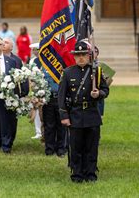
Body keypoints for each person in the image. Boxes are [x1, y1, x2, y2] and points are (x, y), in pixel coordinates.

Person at [58, 40, 109, 183]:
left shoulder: (96, 71)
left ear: (89, 56)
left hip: (92, 114)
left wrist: (98, 93)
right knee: (76, 147)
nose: (81, 57)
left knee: (91, 147)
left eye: (84, 54)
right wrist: (64, 116)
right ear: (74, 56)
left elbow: (106, 90)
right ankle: (77, 174)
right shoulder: (68, 73)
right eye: (78, 55)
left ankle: (91, 174)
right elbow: (61, 97)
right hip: (75, 114)